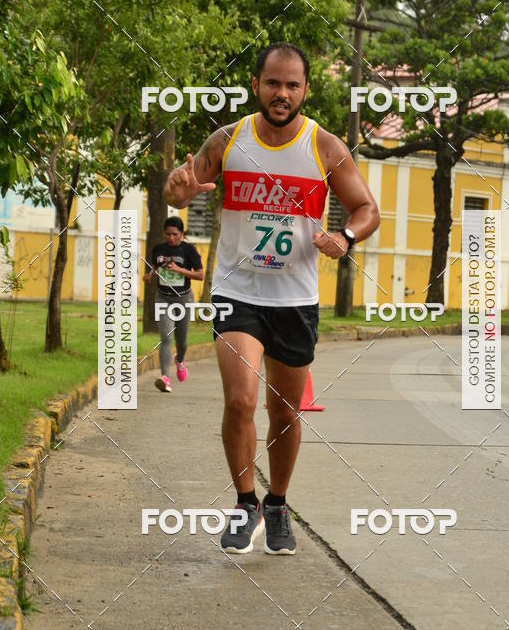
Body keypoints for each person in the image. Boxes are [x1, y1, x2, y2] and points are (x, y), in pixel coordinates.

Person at [164, 42, 380, 554]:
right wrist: (179, 190)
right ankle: (245, 504)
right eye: (272, 83)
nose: (281, 93)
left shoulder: (326, 147)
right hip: (237, 292)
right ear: (257, 84)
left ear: (305, 90)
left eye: (292, 85)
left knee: (284, 413)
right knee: (240, 400)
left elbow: (367, 208)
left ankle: (278, 503)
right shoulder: (227, 139)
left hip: (295, 298)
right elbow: (182, 189)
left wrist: (345, 237)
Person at [143, 216, 204, 392]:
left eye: (175, 234)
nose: (171, 238)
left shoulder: (189, 250)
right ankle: (165, 377)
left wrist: (179, 270)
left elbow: (200, 275)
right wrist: (150, 275)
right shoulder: (158, 249)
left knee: (182, 341)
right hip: (163, 297)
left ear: (182, 234)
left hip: (184, 299)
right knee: (166, 338)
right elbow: (155, 266)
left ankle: (180, 360)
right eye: (168, 234)